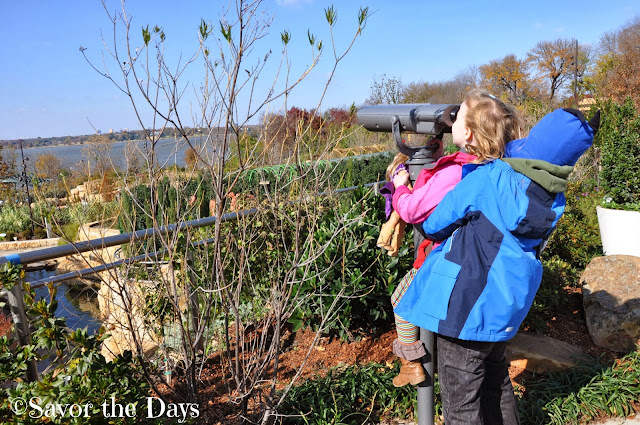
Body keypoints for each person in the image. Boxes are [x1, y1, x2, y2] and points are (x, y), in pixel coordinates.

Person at [393, 107, 599, 424]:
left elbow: (433, 225)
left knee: (461, 404)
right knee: (496, 386)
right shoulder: (552, 198)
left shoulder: (491, 178)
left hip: (463, 308)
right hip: (504, 308)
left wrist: (404, 189)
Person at [387, 89, 521, 387]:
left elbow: (412, 209)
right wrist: (434, 150)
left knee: (401, 299)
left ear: (469, 132)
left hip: (444, 262)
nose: (450, 121)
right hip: (482, 268)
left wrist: (399, 186)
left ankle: (411, 363)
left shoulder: (456, 173)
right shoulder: (495, 166)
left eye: (457, 116)